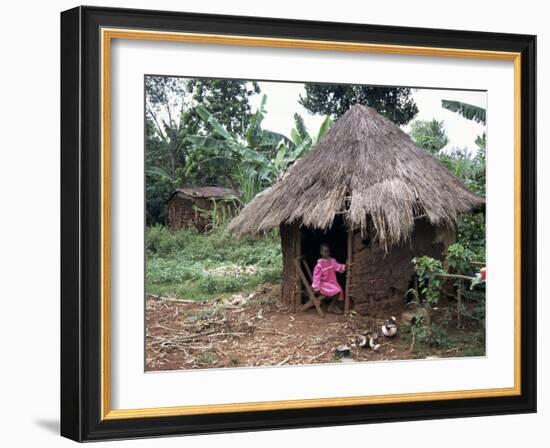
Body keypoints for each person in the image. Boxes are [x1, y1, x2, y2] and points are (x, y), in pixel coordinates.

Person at [311, 243, 346, 314]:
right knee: (337, 290)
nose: (326, 253)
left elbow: (337, 266)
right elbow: (316, 277)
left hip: (331, 282)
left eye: (327, 251)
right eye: (324, 251)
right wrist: (316, 287)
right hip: (323, 284)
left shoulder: (332, 261)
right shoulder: (319, 265)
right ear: (321, 252)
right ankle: (332, 306)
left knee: (339, 290)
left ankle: (332, 306)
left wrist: (344, 267)